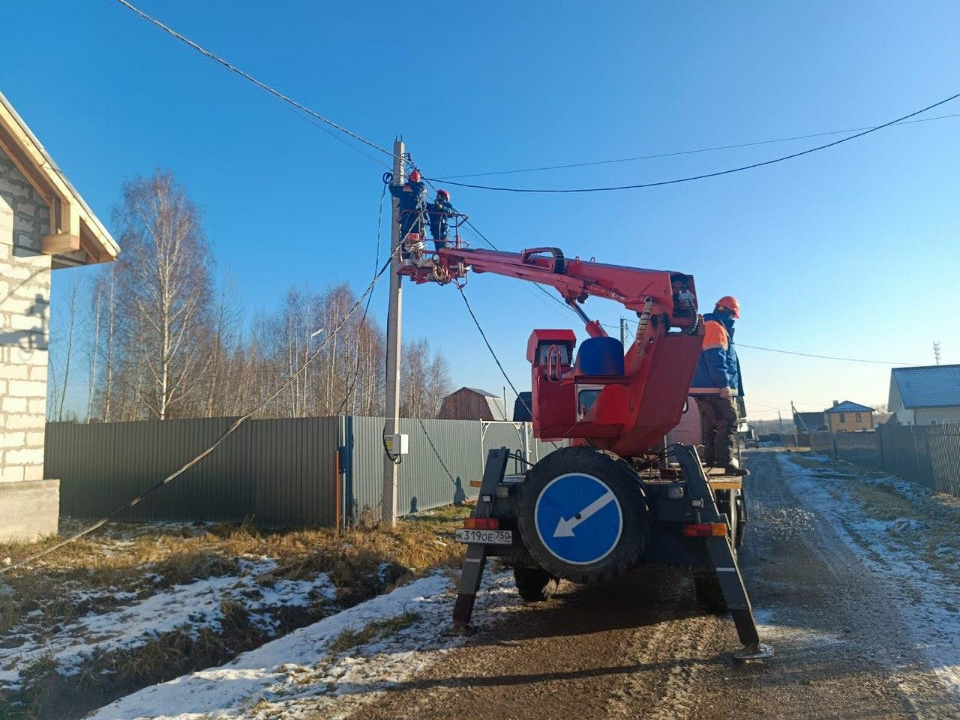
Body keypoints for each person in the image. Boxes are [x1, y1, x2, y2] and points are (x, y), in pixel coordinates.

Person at [690, 296, 746, 475]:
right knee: (729, 421)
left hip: (704, 388)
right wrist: (724, 385)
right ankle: (726, 463)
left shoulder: (707, 325)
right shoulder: (715, 327)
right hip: (715, 388)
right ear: (730, 313)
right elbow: (716, 358)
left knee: (712, 425)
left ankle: (712, 460)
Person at [389, 169, 428, 246]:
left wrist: (391, 183)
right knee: (417, 237)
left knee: (405, 235)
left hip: (408, 217)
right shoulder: (424, 190)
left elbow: (395, 191)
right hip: (420, 218)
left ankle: (405, 252)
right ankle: (415, 250)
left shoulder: (406, 188)